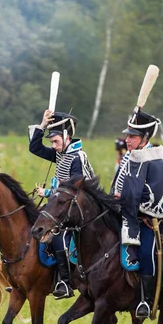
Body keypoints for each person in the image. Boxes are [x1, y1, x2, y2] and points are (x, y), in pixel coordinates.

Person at [111, 106, 163, 319]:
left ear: (144, 138)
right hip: (124, 216)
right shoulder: (127, 159)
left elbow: (154, 197)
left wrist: (123, 199)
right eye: (127, 136)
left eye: (132, 136)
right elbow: (117, 187)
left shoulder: (157, 164)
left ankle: (146, 300)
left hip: (148, 221)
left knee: (146, 253)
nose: (127, 140)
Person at [28, 109, 95, 299]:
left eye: (56, 141)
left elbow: (75, 190)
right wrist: (42, 125)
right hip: (61, 206)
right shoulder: (60, 153)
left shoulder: (78, 157)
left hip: (79, 210)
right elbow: (34, 148)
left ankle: (64, 282)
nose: (54, 146)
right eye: (52, 142)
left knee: (58, 237)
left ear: (67, 137)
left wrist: (48, 192)